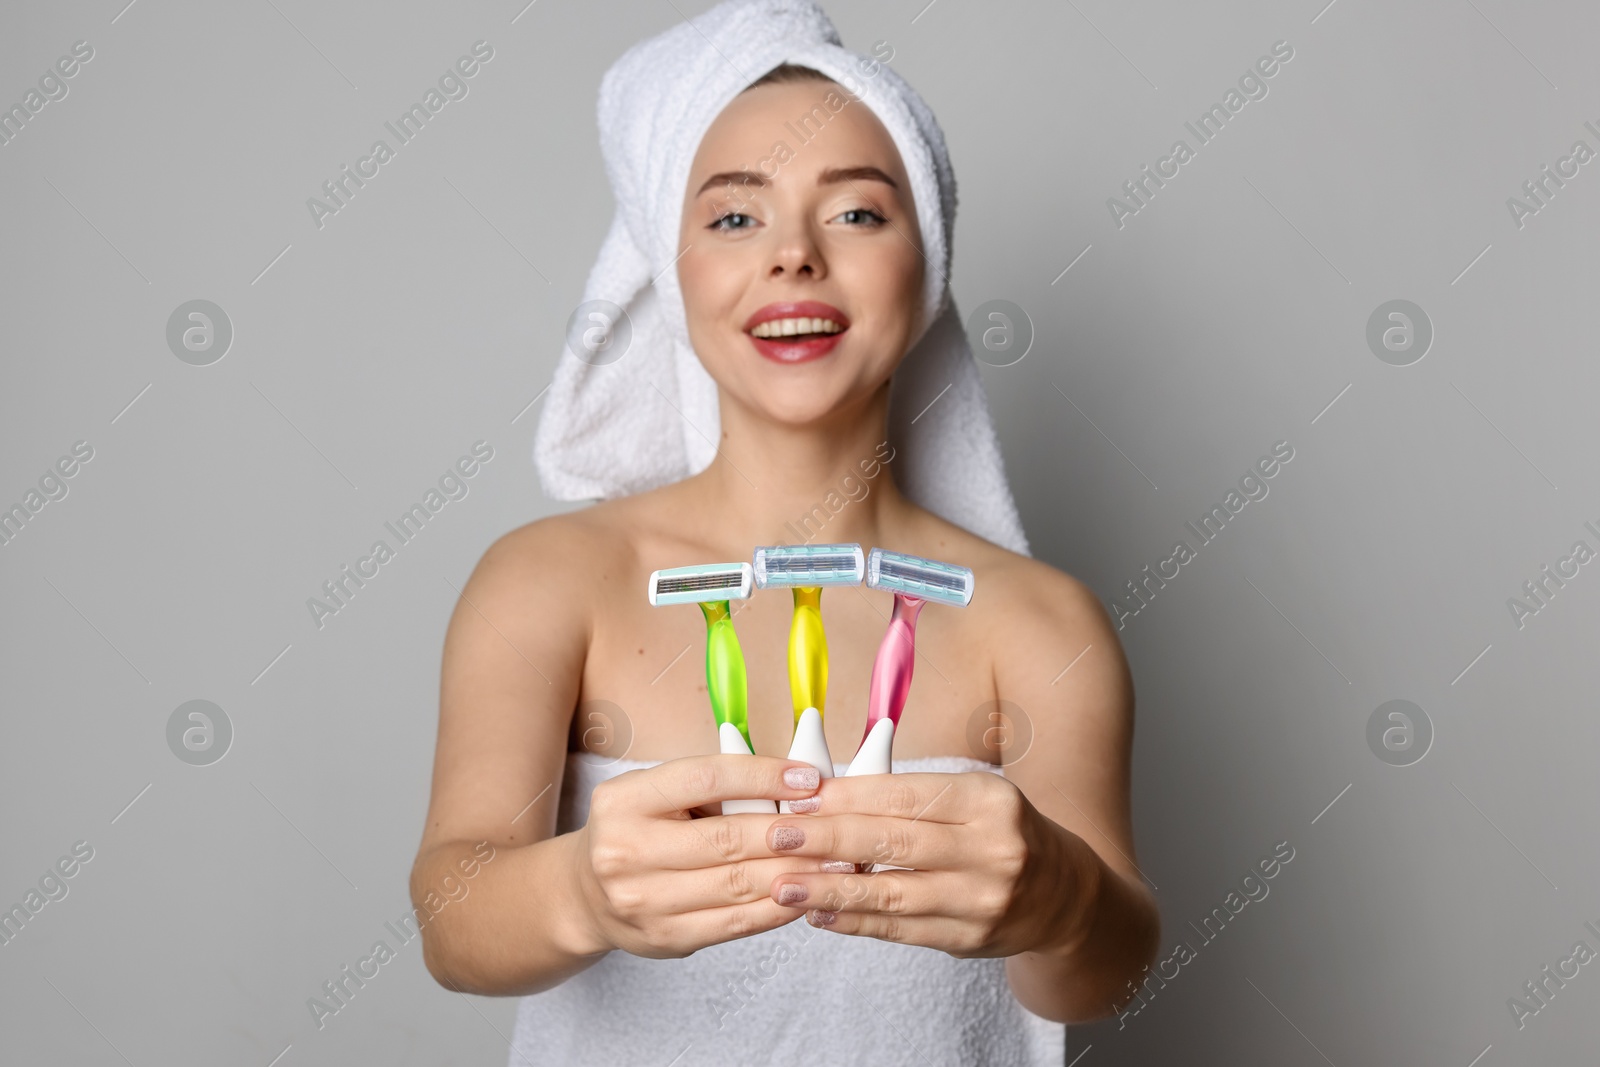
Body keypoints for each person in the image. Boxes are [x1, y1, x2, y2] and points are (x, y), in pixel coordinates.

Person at [409, 3, 1158, 1063]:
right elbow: (453, 917)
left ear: (929, 258)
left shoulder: (1034, 622)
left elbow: (1113, 965)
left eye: (856, 213)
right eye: (732, 218)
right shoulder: (549, 582)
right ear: (669, 271)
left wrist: (1063, 895)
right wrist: (578, 889)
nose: (794, 257)